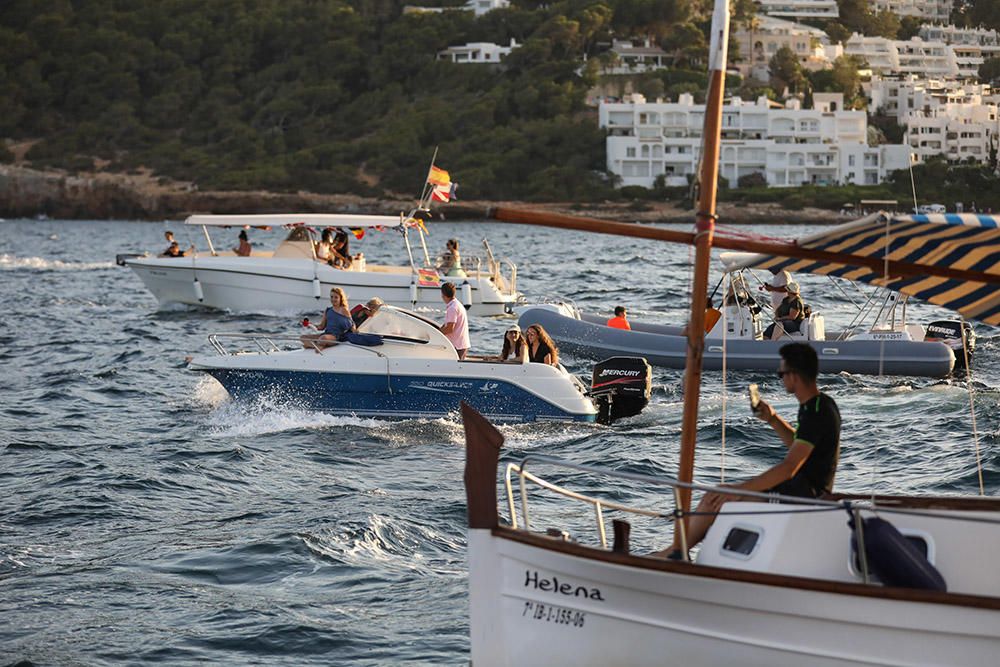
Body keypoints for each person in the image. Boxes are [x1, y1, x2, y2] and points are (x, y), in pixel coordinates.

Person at [655, 343, 841, 560]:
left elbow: (789, 468)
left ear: (794, 376)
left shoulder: (816, 412)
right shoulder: (818, 405)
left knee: (717, 498)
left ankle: (675, 553)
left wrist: (738, 490)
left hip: (805, 494)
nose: (781, 379)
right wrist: (772, 418)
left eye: (781, 374)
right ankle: (676, 551)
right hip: (799, 488)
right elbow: (799, 445)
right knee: (719, 493)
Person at [439, 282, 470, 359]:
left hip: (457, 347)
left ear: (443, 295)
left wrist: (438, 334)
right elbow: (448, 325)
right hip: (461, 345)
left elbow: (449, 328)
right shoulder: (457, 304)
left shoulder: (452, 308)